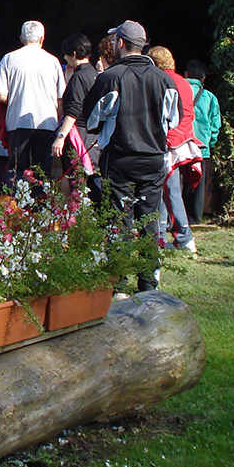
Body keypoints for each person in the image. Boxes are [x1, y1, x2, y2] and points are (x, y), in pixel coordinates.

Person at [82, 20, 179, 294]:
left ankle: (119, 284)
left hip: (119, 157)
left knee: (117, 220)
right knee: (150, 219)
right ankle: (148, 283)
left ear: (121, 43)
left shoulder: (110, 77)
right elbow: (174, 119)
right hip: (153, 157)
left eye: (114, 40)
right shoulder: (164, 79)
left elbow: (91, 120)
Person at [0, 20, 66, 182]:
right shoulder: (53, 61)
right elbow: (60, 97)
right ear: (42, 39)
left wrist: (16, 99)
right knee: (43, 171)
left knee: (17, 170)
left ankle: (18, 198)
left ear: (21, 38)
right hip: (47, 122)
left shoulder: (9, 59)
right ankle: (41, 198)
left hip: (18, 121)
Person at [148, 46, 201, 254]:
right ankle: (165, 236)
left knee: (168, 190)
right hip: (182, 139)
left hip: (167, 141)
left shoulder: (161, 80)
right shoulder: (183, 82)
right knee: (168, 189)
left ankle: (182, 237)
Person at [51, 33, 101, 200]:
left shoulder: (79, 78)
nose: (65, 58)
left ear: (73, 54)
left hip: (78, 135)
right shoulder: (94, 74)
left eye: (66, 55)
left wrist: (60, 136)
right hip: (93, 135)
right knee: (93, 179)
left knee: (76, 179)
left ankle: (75, 212)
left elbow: (73, 110)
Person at [183, 59, 222, 223]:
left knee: (177, 182)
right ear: (204, 78)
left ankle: (176, 217)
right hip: (201, 147)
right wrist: (209, 143)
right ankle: (194, 218)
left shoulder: (178, 91)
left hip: (180, 145)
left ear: (186, 74)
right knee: (197, 184)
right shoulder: (210, 98)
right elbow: (215, 125)